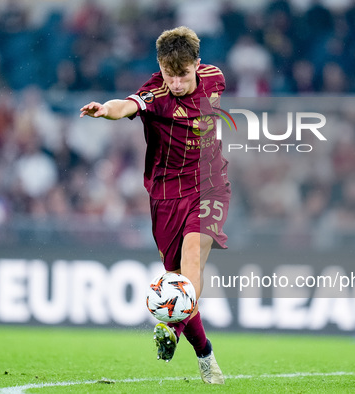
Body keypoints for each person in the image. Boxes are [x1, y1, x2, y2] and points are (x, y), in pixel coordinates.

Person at [80, 26, 230, 385]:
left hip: (209, 186)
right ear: (160, 68)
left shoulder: (215, 78)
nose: (175, 83)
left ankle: (172, 332)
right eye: (169, 74)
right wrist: (106, 110)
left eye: (182, 75)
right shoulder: (156, 93)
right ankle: (205, 352)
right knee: (177, 279)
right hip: (166, 194)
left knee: (193, 262)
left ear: (197, 64)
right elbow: (127, 104)